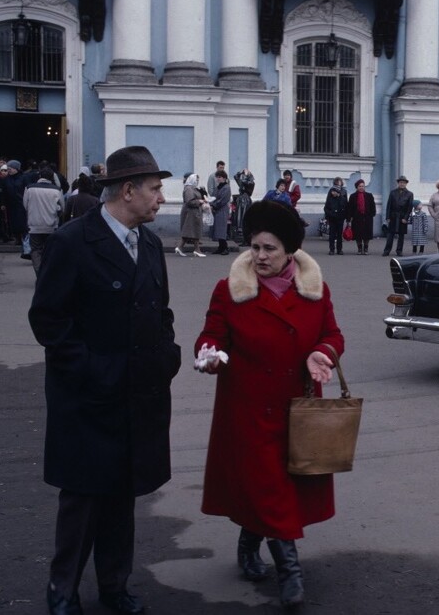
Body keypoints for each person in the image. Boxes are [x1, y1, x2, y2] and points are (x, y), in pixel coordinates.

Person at [28, 146, 181, 615]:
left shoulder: (148, 243)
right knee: (83, 499)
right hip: (88, 399)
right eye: (155, 189)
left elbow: (161, 311)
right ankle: (63, 590)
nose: (161, 198)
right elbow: (48, 320)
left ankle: (115, 585)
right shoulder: (73, 241)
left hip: (139, 393)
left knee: (121, 497)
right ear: (128, 190)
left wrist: (167, 356)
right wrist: (91, 371)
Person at [195, 200, 344, 608]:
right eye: (255, 247)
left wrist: (323, 353)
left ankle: (248, 544)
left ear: (289, 251)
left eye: (269, 249)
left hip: (298, 408)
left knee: (274, 488)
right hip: (248, 409)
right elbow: (212, 335)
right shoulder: (229, 289)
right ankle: (290, 573)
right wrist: (208, 354)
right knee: (270, 488)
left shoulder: (315, 289)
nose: (259, 256)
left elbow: (333, 335)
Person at [23, 166, 64, 275]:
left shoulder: (29, 188)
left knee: (36, 250)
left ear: (40, 176)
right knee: (50, 250)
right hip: (51, 225)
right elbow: (62, 208)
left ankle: (39, 272)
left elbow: (25, 205)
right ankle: (48, 272)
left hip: (34, 225)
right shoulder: (57, 190)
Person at [176, 173, 208, 258]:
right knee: (193, 230)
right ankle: (197, 250)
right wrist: (199, 201)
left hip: (194, 212)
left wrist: (203, 193)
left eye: (198, 180)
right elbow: (190, 201)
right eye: (196, 180)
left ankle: (181, 247)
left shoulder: (193, 188)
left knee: (191, 231)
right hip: (191, 213)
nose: (197, 181)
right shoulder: (189, 189)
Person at [382, 175, 414, 257]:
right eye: (400, 182)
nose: (402, 184)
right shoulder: (393, 192)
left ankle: (399, 251)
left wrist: (406, 218)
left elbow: (409, 207)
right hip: (393, 216)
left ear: (406, 184)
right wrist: (387, 217)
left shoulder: (409, 194)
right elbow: (389, 205)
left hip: (402, 217)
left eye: (403, 182)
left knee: (401, 235)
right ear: (398, 183)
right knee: (390, 234)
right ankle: (387, 250)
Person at [348, 178, 376, 254]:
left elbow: (373, 206)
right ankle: (359, 249)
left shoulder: (369, 195)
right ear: (357, 187)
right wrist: (349, 218)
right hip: (357, 218)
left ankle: (366, 248)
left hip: (367, 217)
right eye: (360, 186)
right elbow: (350, 208)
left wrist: (372, 214)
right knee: (358, 234)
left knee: (367, 234)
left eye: (363, 186)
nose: (361, 187)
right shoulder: (353, 196)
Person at [323, 177, 348, 255]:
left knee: (339, 234)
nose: (338, 184)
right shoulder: (331, 191)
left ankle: (339, 249)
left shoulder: (344, 191)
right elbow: (327, 204)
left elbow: (345, 203)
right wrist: (328, 214)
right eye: (337, 183)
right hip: (332, 216)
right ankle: (332, 249)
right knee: (332, 234)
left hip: (340, 215)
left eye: (339, 182)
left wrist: (339, 195)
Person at [210, 170, 232, 255]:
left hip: (222, 209)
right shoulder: (218, 187)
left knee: (222, 229)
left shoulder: (226, 187)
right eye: (217, 177)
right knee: (218, 229)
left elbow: (223, 200)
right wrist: (211, 203)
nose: (218, 179)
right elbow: (213, 197)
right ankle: (220, 247)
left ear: (224, 178)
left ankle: (225, 247)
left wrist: (214, 205)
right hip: (217, 210)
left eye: (220, 177)